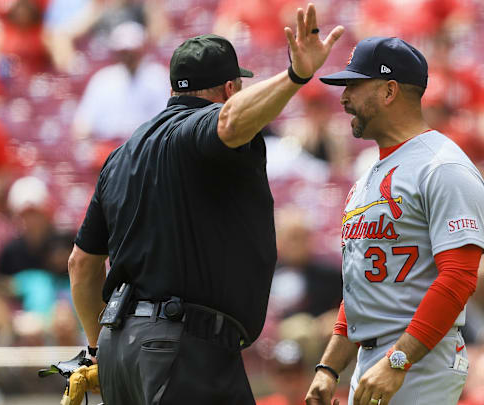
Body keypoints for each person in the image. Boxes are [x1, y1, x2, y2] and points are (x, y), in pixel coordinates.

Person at [67, 4, 344, 404]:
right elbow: (228, 123)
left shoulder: (121, 155)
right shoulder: (198, 129)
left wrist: (96, 350)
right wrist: (295, 76)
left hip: (121, 351)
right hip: (183, 349)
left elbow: (81, 265)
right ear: (230, 89)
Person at [305, 37, 484, 405]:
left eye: (354, 85)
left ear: (389, 91)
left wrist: (399, 361)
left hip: (419, 358)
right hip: (376, 359)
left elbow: (459, 277)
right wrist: (328, 368)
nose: (344, 99)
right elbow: (362, 288)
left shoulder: (442, 166)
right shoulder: (370, 175)